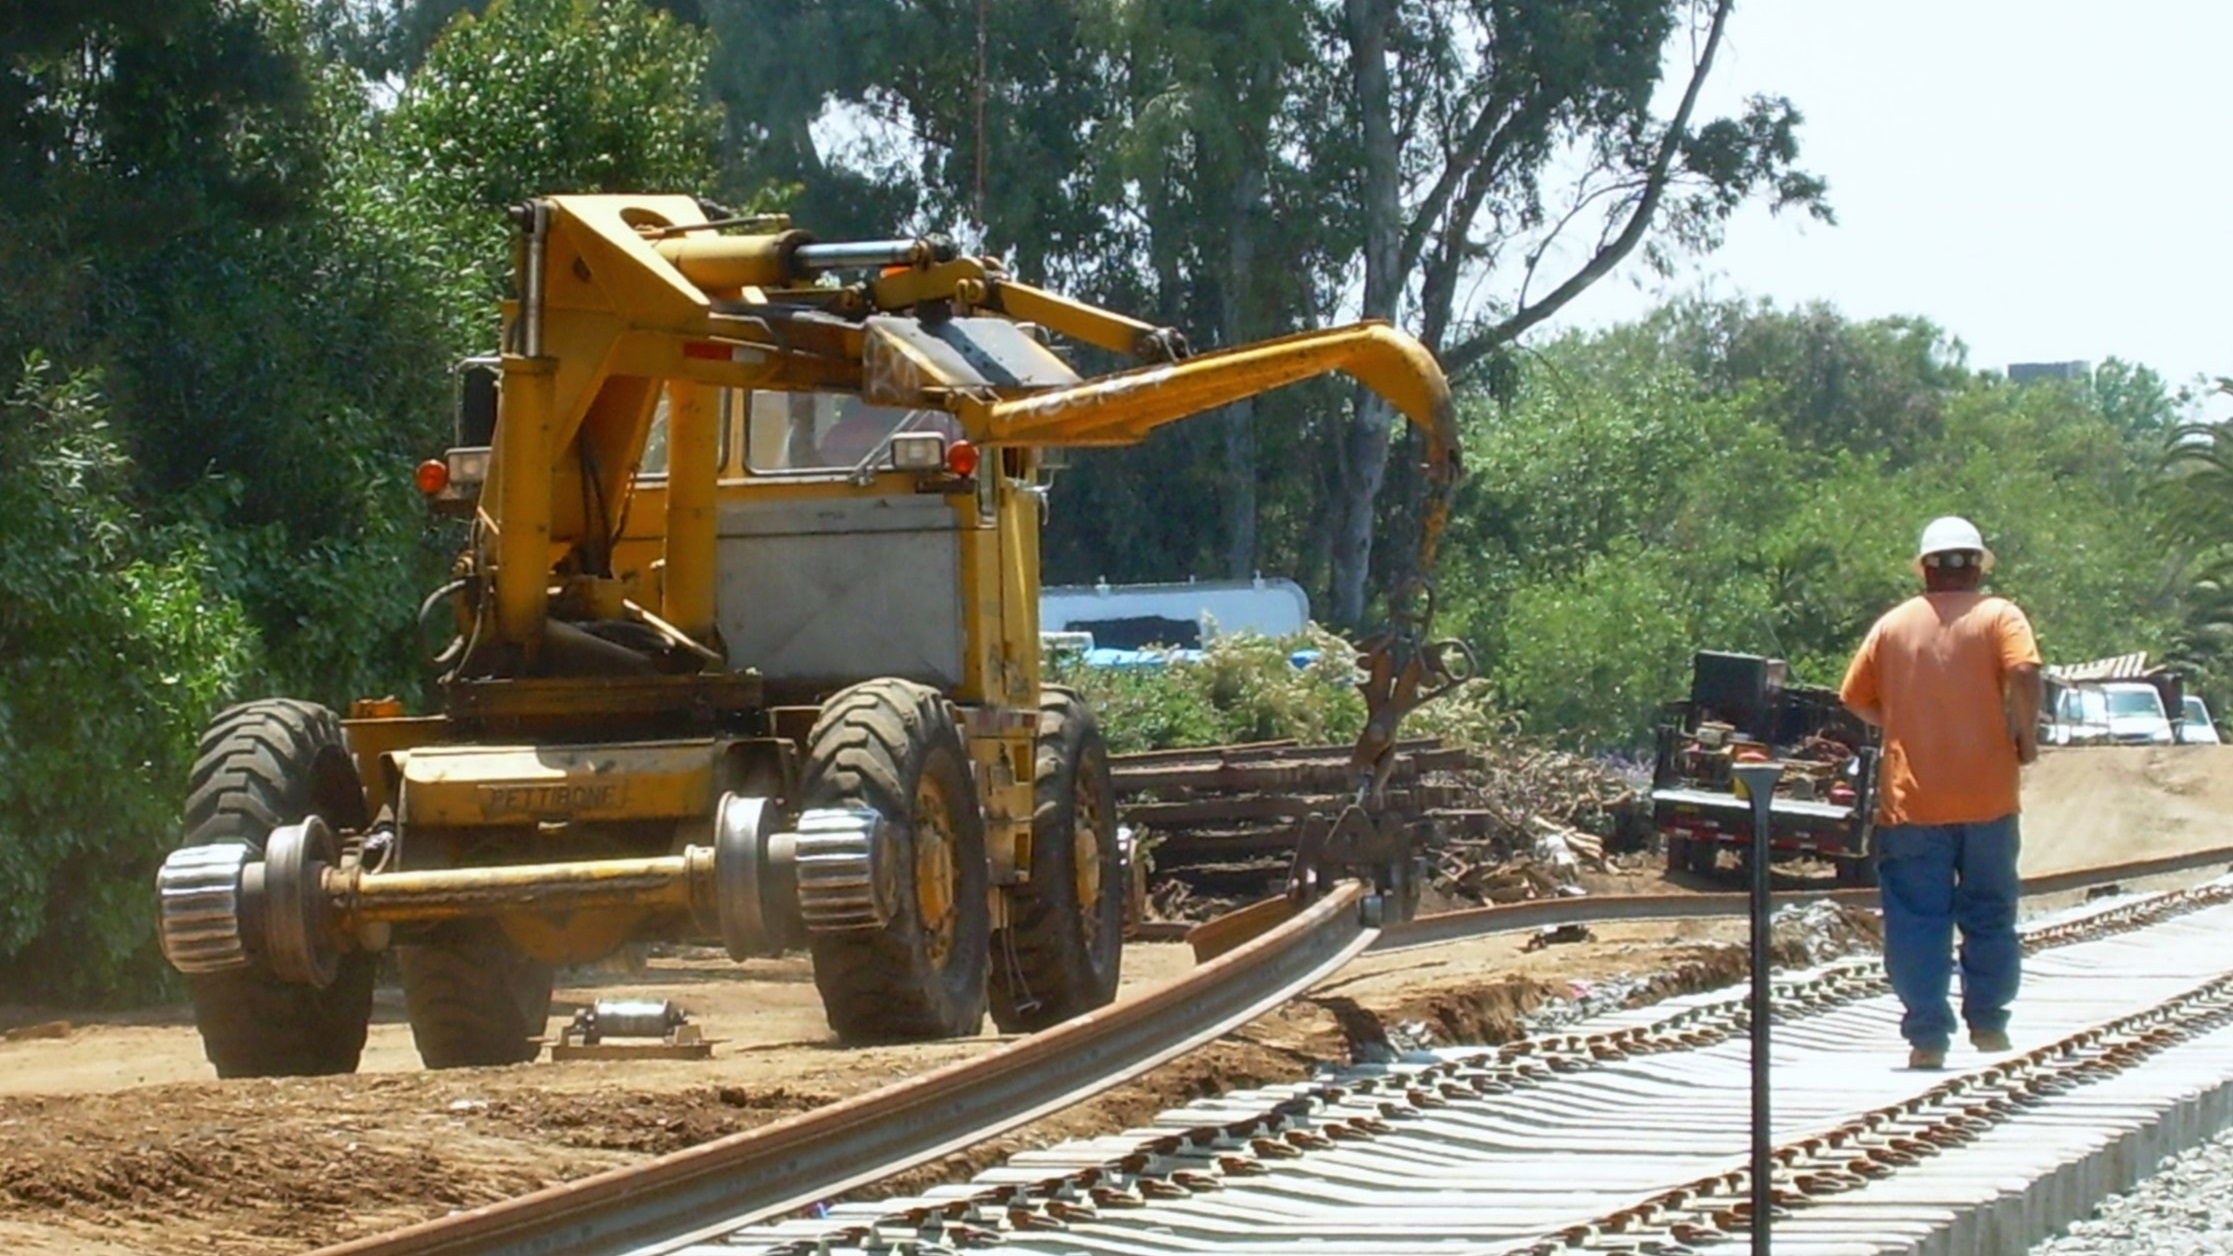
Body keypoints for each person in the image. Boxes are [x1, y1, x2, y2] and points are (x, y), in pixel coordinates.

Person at [1839, 516, 2042, 1070]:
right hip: (1990, 800)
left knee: (1915, 920)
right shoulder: (2000, 615)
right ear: (1977, 566)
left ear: (1925, 569)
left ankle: (1928, 1037)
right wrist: (2025, 735)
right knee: (1991, 914)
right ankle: (1990, 1023)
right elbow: (2024, 670)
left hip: (1913, 807)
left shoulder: (1893, 625)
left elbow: (1853, 697)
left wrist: (1902, 723)